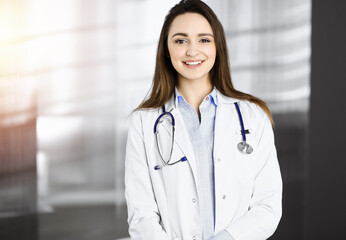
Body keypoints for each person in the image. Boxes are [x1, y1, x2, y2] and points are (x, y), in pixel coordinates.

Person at [124, 0, 282, 239]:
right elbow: (141, 215)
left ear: (217, 46)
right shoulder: (143, 122)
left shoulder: (253, 116)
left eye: (204, 39)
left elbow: (267, 206)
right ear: (167, 49)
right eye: (180, 40)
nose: (192, 50)